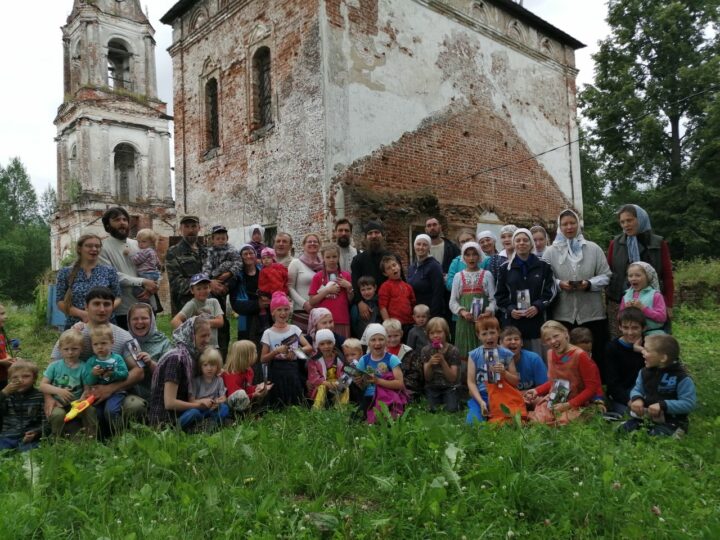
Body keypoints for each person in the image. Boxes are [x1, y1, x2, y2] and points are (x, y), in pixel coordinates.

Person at [49, 287, 146, 424]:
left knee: (135, 405)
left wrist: (109, 389)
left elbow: (139, 371)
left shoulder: (125, 336)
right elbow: (51, 368)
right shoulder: (73, 334)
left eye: (107, 304)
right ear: (86, 306)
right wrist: (48, 397)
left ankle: (121, 433)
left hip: (116, 394)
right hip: (78, 396)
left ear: (113, 307)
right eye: (96, 304)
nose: (102, 309)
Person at [542, 209, 611, 371]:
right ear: (559, 227)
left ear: (578, 224)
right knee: (567, 355)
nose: (569, 227)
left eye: (572, 223)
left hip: (591, 313)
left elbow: (606, 275)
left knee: (594, 353)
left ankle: (595, 383)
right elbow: (545, 280)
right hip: (563, 313)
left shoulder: (593, 249)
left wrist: (589, 283)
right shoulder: (550, 252)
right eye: (564, 224)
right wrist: (559, 284)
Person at [607, 204, 674, 335]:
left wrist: (669, 304)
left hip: (653, 302)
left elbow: (667, 276)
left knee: (655, 342)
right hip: (622, 302)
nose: (626, 225)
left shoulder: (658, 243)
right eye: (622, 222)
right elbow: (609, 274)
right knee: (625, 340)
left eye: (629, 220)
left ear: (641, 219)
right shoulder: (615, 244)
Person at [526, 321, 603, 425]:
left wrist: (568, 405)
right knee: (538, 421)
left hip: (578, 401)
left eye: (556, 336)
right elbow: (556, 381)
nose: (553, 341)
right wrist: (537, 391)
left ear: (566, 333)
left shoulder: (580, 355)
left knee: (563, 422)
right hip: (557, 398)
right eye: (548, 339)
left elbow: (592, 388)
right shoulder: (550, 353)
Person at [496, 228, 557, 354]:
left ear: (531, 243)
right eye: (518, 240)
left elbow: (551, 291)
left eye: (525, 240)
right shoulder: (505, 268)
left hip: (537, 322)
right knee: (514, 359)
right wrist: (511, 309)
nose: (521, 243)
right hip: (514, 323)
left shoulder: (544, 265)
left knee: (537, 357)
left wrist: (537, 306)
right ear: (514, 244)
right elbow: (500, 295)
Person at [623, 334, 696, 437]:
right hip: (646, 417)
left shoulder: (681, 377)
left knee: (655, 436)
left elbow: (689, 403)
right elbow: (637, 389)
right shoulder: (644, 372)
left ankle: (674, 431)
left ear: (663, 358)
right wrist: (637, 399)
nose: (643, 352)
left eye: (647, 350)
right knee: (623, 431)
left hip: (672, 421)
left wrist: (663, 405)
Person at [98, 207, 159, 329]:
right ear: (107, 225)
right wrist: (143, 281)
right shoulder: (102, 248)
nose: (122, 223)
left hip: (147, 306)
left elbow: (154, 267)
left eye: (125, 220)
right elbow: (112, 275)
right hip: (124, 309)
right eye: (117, 220)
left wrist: (153, 287)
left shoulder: (138, 244)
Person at [149, 317, 213, 428]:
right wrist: (199, 405)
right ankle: (204, 426)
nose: (207, 340)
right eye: (203, 336)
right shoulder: (176, 359)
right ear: (191, 335)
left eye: (208, 335)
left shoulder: (193, 356)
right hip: (167, 420)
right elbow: (169, 403)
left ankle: (206, 425)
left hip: (184, 411)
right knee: (195, 413)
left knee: (222, 408)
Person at [40, 329, 97, 439]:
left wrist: (82, 399)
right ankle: (57, 439)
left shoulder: (84, 367)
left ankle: (91, 437)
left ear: (81, 349)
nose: (70, 352)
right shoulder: (54, 366)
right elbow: (42, 386)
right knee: (57, 415)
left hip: (76, 404)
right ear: (60, 349)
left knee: (90, 411)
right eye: (66, 349)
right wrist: (59, 391)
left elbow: (87, 389)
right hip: (58, 403)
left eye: (74, 349)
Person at [466, 317, 525, 424]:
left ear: (498, 333)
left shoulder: (507, 354)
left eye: (492, 332)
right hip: (482, 395)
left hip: (502, 394)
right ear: (478, 335)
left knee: (511, 419)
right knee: (472, 423)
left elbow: (515, 382)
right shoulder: (474, 355)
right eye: (484, 334)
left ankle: (496, 414)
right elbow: (471, 382)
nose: (489, 337)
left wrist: (504, 373)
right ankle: (485, 410)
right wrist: (481, 402)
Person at [56, 234, 121, 328]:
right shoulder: (65, 272)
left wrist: (102, 311)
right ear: (79, 249)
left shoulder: (109, 271)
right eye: (89, 246)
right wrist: (82, 314)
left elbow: (118, 298)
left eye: (97, 246)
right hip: (76, 328)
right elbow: (60, 302)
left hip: (104, 326)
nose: (94, 249)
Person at [260, 292, 313, 408]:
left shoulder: (294, 329)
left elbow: (309, 347)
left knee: (295, 402)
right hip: (276, 371)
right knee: (277, 404)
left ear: (290, 311)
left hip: (292, 368)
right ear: (273, 312)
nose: (283, 313)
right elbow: (263, 359)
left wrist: (295, 352)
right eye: (279, 310)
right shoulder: (268, 333)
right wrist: (276, 352)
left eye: (286, 309)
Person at [350, 221, 404, 328]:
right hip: (368, 307)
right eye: (370, 233)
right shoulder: (358, 260)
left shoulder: (393, 257)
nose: (373, 236)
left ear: (382, 235)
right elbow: (355, 284)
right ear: (366, 237)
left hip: (391, 305)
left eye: (377, 232)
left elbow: (401, 280)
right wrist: (360, 303)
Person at [449, 241, 496, 359]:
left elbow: (493, 299)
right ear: (463, 257)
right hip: (465, 321)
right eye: (468, 255)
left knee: (485, 351)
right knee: (465, 353)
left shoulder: (487, 275)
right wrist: (462, 312)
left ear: (479, 256)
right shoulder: (458, 276)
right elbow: (453, 301)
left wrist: (489, 311)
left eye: (474, 254)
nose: (471, 258)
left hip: (483, 321)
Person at [352, 324, 406, 423]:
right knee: (356, 419)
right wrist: (359, 382)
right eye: (373, 340)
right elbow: (362, 387)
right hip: (370, 396)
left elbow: (400, 384)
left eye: (381, 339)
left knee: (386, 418)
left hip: (388, 395)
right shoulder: (364, 360)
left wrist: (378, 381)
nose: (377, 343)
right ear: (368, 342)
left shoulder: (392, 359)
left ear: (386, 341)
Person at [200, 224, 238, 358]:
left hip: (227, 280)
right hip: (213, 281)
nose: (221, 241)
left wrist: (229, 273)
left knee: (222, 320)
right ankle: (212, 350)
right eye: (218, 238)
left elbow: (238, 263)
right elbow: (206, 268)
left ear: (227, 238)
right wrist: (209, 279)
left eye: (223, 238)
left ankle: (222, 352)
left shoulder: (232, 250)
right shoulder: (209, 251)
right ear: (212, 239)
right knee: (214, 312)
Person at [85, 324, 129, 429]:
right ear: (92, 345)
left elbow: (125, 374)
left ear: (112, 342)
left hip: (116, 392)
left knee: (111, 411)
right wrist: (93, 374)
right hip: (97, 394)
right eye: (96, 344)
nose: (100, 347)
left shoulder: (117, 358)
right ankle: (103, 435)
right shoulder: (91, 361)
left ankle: (118, 433)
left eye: (103, 343)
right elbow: (88, 381)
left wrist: (113, 374)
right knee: (97, 413)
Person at [127, 302, 172, 401]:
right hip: (129, 396)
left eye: (144, 318)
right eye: (135, 319)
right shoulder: (123, 340)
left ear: (152, 320)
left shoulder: (163, 342)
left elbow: (170, 374)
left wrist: (150, 363)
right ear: (129, 321)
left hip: (159, 395)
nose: (139, 322)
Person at [605, 307, 646, 415]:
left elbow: (662, 367)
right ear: (620, 327)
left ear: (643, 328)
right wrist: (629, 402)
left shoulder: (649, 344)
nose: (630, 332)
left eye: (635, 328)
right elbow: (612, 383)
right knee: (628, 413)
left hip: (645, 391)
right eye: (625, 327)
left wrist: (642, 350)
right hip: (623, 393)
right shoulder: (612, 348)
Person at [308, 244, 353, 338]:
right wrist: (327, 291)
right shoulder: (317, 277)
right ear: (323, 258)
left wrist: (349, 287)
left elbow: (350, 300)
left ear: (338, 257)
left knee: (342, 346)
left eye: (334, 256)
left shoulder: (346, 276)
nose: (331, 260)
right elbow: (312, 301)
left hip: (342, 319)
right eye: (328, 257)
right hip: (323, 322)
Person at [179, 348, 229, 431]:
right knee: (193, 413)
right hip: (199, 410)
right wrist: (203, 401)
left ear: (218, 366)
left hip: (212, 410)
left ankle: (211, 424)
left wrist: (217, 402)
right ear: (201, 367)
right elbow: (191, 401)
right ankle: (178, 426)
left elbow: (223, 398)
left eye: (212, 365)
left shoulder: (219, 380)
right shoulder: (196, 381)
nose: (209, 368)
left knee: (224, 408)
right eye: (205, 365)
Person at [166, 215, 207, 316]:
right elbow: (176, 283)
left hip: (208, 305)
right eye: (187, 227)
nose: (190, 230)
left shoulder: (206, 251)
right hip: (186, 308)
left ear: (199, 228)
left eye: (193, 226)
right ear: (181, 229)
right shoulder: (173, 252)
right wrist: (206, 287)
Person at [0, 360, 44, 452]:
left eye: (26, 376)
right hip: (7, 436)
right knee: (3, 449)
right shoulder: (6, 395)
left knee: (28, 452)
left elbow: (46, 421)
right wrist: (3, 393)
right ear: (9, 380)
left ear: (34, 378)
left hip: (29, 437)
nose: (20, 380)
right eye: (15, 377)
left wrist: (36, 432)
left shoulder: (40, 396)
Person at [171, 273, 224, 349]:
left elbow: (220, 322)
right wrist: (189, 332)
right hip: (198, 348)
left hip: (213, 346)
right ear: (192, 290)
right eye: (198, 289)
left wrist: (199, 324)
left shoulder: (214, 302)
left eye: (205, 288)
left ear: (210, 288)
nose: (202, 291)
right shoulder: (192, 304)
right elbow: (175, 321)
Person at [420, 317, 461, 412]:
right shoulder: (425, 350)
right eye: (432, 333)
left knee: (451, 409)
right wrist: (430, 364)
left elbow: (452, 378)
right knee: (432, 410)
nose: (435, 335)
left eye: (439, 332)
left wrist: (443, 362)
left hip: (450, 387)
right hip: (432, 386)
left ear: (446, 332)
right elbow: (427, 377)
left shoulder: (453, 350)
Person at [229, 244, 266, 346]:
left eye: (251, 253)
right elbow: (235, 304)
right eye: (245, 254)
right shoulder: (236, 276)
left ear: (255, 255)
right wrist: (257, 304)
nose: (248, 256)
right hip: (243, 317)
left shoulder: (263, 271)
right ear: (240, 257)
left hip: (263, 315)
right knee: (244, 343)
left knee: (263, 343)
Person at [222, 340, 272, 415]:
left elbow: (246, 388)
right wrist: (253, 394)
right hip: (229, 402)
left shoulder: (248, 370)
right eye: (254, 353)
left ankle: (257, 411)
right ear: (244, 357)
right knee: (240, 394)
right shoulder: (231, 374)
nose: (256, 354)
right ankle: (237, 415)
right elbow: (235, 396)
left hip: (244, 399)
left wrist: (257, 387)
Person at [288, 233, 324, 332]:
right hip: (301, 310)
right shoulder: (296, 263)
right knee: (302, 340)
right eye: (309, 242)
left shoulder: (324, 265)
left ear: (319, 245)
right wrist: (305, 304)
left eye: (315, 242)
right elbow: (290, 287)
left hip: (321, 311)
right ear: (303, 245)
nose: (312, 243)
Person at [619, 262, 667, 336]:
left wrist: (643, 309)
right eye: (630, 276)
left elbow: (662, 317)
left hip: (653, 335)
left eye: (638, 275)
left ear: (648, 277)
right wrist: (626, 310)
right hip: (632, 335)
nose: (633, 278)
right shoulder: (626, 296)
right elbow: (619, 317)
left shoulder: (655, 295)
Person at [307, 329, 350, 410]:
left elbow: (343, 373)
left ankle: (341, 409)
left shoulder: (339, 357)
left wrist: (338, 383)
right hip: (321, 385)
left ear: (334, 343)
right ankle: (317, 408)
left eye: (329, 343)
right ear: (318, 345)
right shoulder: (314, 360)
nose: (326, 346)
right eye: (322, 344)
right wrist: (327, 383)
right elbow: (314, 377)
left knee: (345, 387)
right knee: (322, 387)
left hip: (335, 383)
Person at [500, 326, 548, 393]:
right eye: (509, 339)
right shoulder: (497, 362)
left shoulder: (534, 358)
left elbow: (545, 386)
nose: (513, 342)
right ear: (501, 343)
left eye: (516, 339)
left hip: (532, 396)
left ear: (522, 343)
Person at [408, 234, 445, 319]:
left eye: (425, 245)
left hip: (429, 313)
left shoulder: (434, 266)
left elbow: (438, 293)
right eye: (418, 244)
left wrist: (433, 315)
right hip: (417, 313)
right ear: (414, 246)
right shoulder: (412, 267)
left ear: (429, 248)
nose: (421, 247)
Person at [378, 256, 415, 333]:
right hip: (395, 326)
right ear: (385, 273)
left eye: (394, 265)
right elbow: (382, 307)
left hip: (409, 323)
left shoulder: (408, 286)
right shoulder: (385, 286)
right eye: (388, 268)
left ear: (399, 266)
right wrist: (388, 325)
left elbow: (413, 304)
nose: (393, 268)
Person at [126, 228, 162, 301]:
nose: (140, 244)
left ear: (151, 242)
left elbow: (136, 260)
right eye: (139, 242)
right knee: (148, 289)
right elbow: (158, 263)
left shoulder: (146, 251)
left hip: (146, 274)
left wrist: (129, 254)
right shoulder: (153, 251)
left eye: (144, 241)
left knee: (136, 290)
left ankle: (143, 300)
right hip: (153, 274)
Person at [258, 247, 290, 328]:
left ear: (273, 258)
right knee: (270, 315)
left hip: (280, 294)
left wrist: (285, 291)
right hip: (268, 296)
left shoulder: (279, 267)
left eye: (268, 257)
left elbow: (286, 278)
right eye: (263, 258)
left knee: (281, 313)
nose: (266, 260)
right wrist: (262, 293)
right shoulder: (262, 271)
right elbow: (261, 284)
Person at [0, 303, 15, 390]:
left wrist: (9, 358)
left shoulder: (1, 336)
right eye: (1, 314)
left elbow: (3, 352)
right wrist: (2, 362)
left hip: (3, 377)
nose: (6, 317)